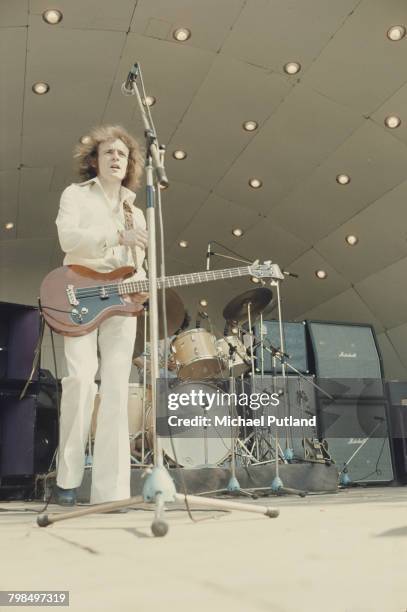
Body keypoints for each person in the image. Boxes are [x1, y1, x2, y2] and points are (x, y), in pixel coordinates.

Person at [54, 125, 148, 506]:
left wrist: (141, 281)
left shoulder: (136, 213)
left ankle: (110, 492)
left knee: (115, 390)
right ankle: (68, 480)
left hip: (122, 304)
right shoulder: (75, 196)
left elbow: (135, 262)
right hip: (78, 294)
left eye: (122, 155)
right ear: (94, 159)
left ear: (130, 165)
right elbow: (68, 240)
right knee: (79, 380)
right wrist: (114, 238)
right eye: (108, 152)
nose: (115, 159)